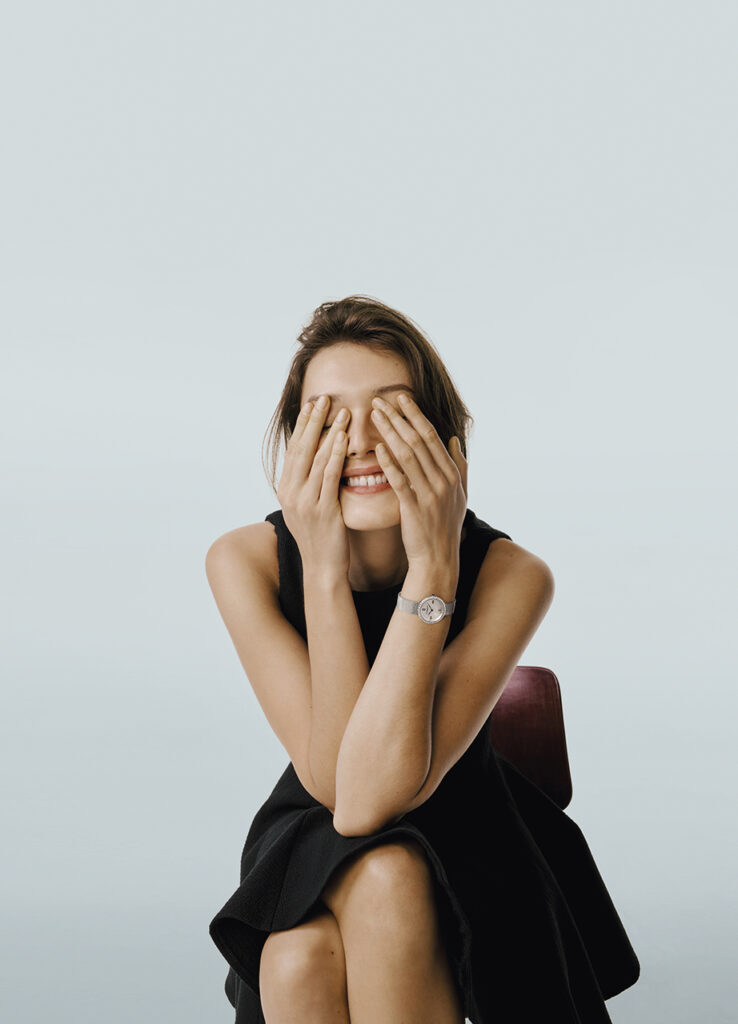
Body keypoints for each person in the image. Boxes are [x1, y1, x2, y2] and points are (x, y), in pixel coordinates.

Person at [206, 295, 640, 1023]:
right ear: (292, 443)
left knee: (375, 883)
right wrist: (321, 569)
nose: (360, 442)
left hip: (471, 835)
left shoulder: (512, 574)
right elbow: (341, 793)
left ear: (443, 437)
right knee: (298, 952)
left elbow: (372, 798)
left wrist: (433, 569)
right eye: (327, 418)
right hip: (312, 827)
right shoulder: (241, 561)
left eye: (393, 411)